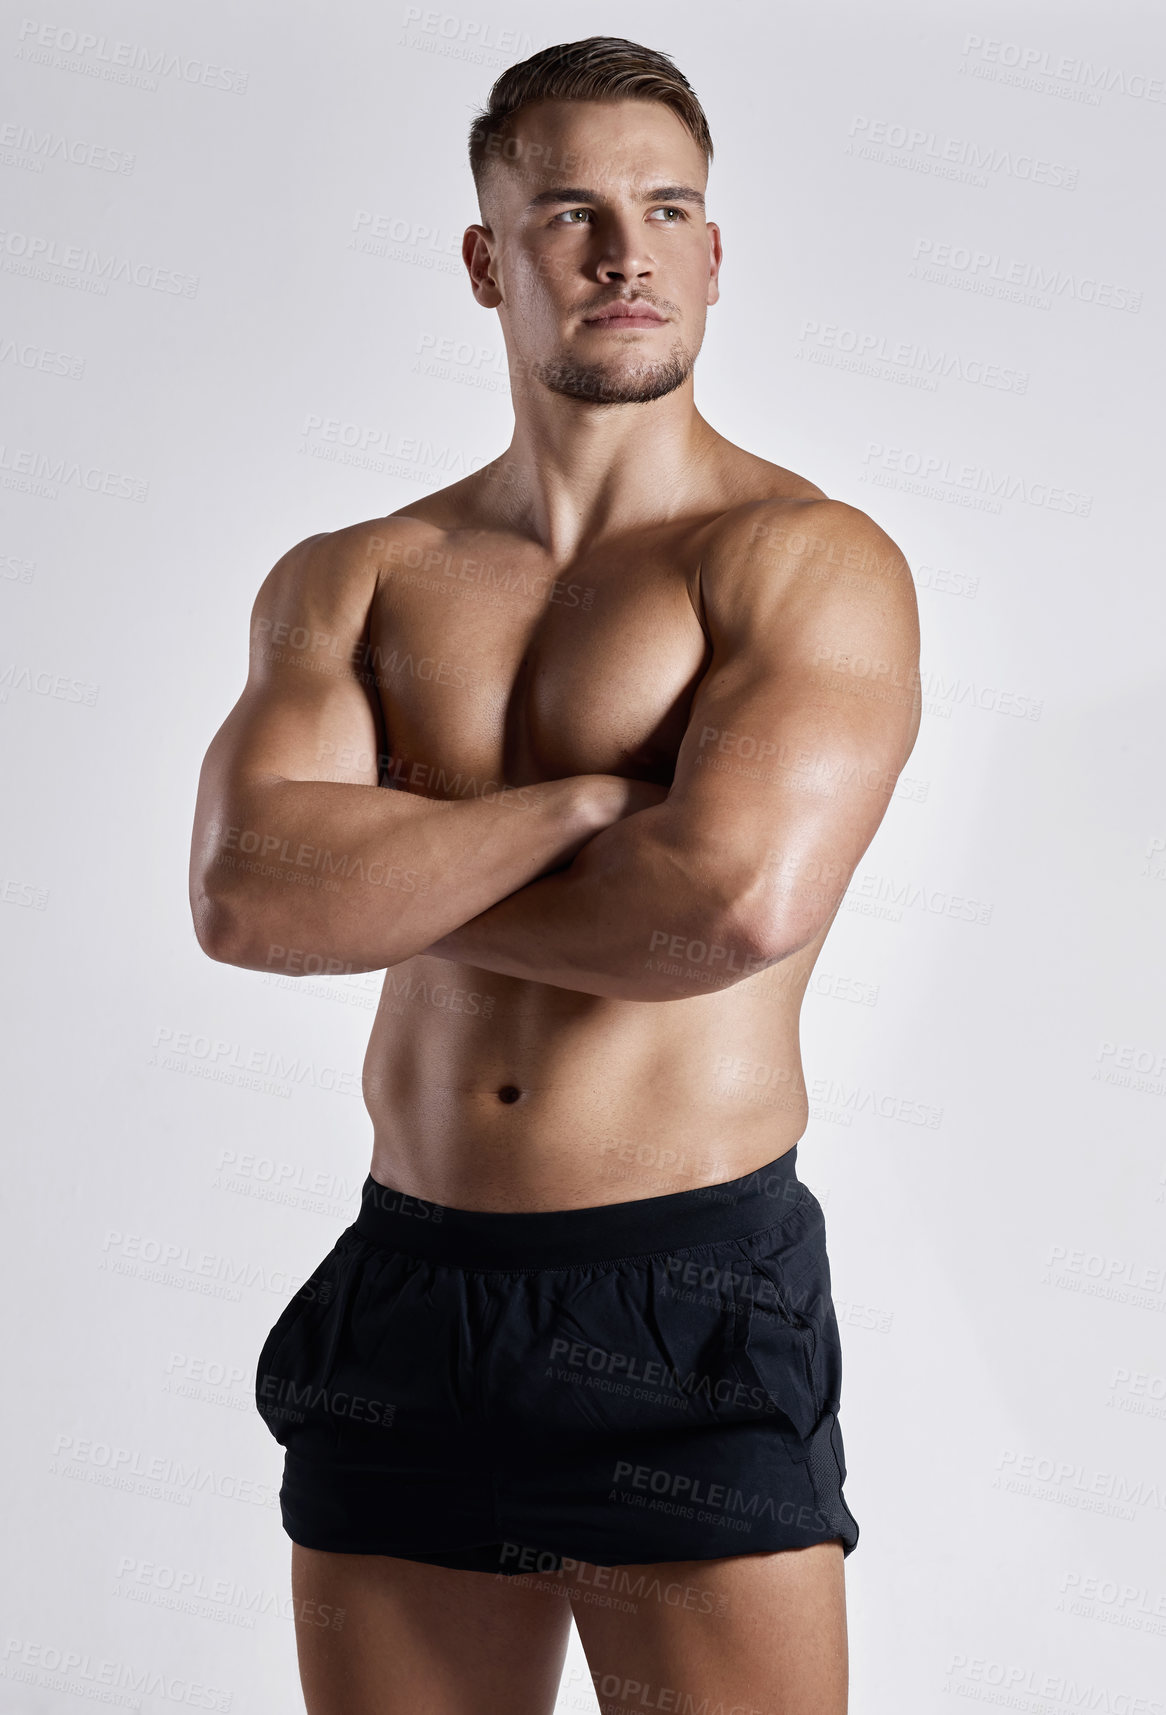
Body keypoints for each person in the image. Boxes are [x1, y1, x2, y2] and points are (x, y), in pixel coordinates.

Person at [189, 34, 920, 1715]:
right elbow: (244, 900)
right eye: (572, 210)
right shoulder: (354, 576)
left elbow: (718, 913)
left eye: (669, 209)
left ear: (715, 257)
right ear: (486, 257)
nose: (624, 251)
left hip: (680, 1295)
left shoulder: (801, 561)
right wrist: (587, 801)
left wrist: (380, 867)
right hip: (405, 1291)